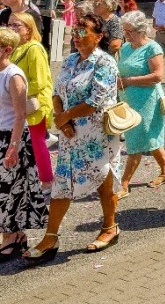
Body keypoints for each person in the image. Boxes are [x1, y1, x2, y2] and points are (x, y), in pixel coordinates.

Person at [24, 14, 121, 265]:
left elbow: (96, 100)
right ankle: (50, 237)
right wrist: (60, 117)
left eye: (82, 32)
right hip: (69, 134)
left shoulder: (106, 62)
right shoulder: (69, 60)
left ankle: (110, 227)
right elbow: (57, 91)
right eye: (75, 32)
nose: (76, 37)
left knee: (103, 180)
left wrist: (65, 117)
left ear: (98, 36)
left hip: (96, 133)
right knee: (62, 183)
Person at [0, 27, 48, 261]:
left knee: (7, 190)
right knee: (9, 188)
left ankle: (9, 237)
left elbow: (20, 115)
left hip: (11, 137)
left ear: (6, 50)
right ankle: (17, 234)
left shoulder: (13, 75)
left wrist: (13, 147)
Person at [116, 11, 165, 198]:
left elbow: (158, 76)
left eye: (130, 31)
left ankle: (124, 183)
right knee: (149, 137)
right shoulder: (125, 47)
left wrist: (129, 80)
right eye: (125, 30)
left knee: (135, 140)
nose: (127, 34)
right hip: (128, 99)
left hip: (147, 100)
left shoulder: (152, 47)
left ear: (142, 30)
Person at [8, 13, 54, 191]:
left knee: (37, 143)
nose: (11, 29)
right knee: (21, 142)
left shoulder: (34, 48)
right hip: (19, 103)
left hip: (35, 104)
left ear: (28, 29)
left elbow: (39, 81)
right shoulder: (13, 48)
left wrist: (15, 94)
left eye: (16, 26)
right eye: (9, 25)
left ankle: (47, 181)